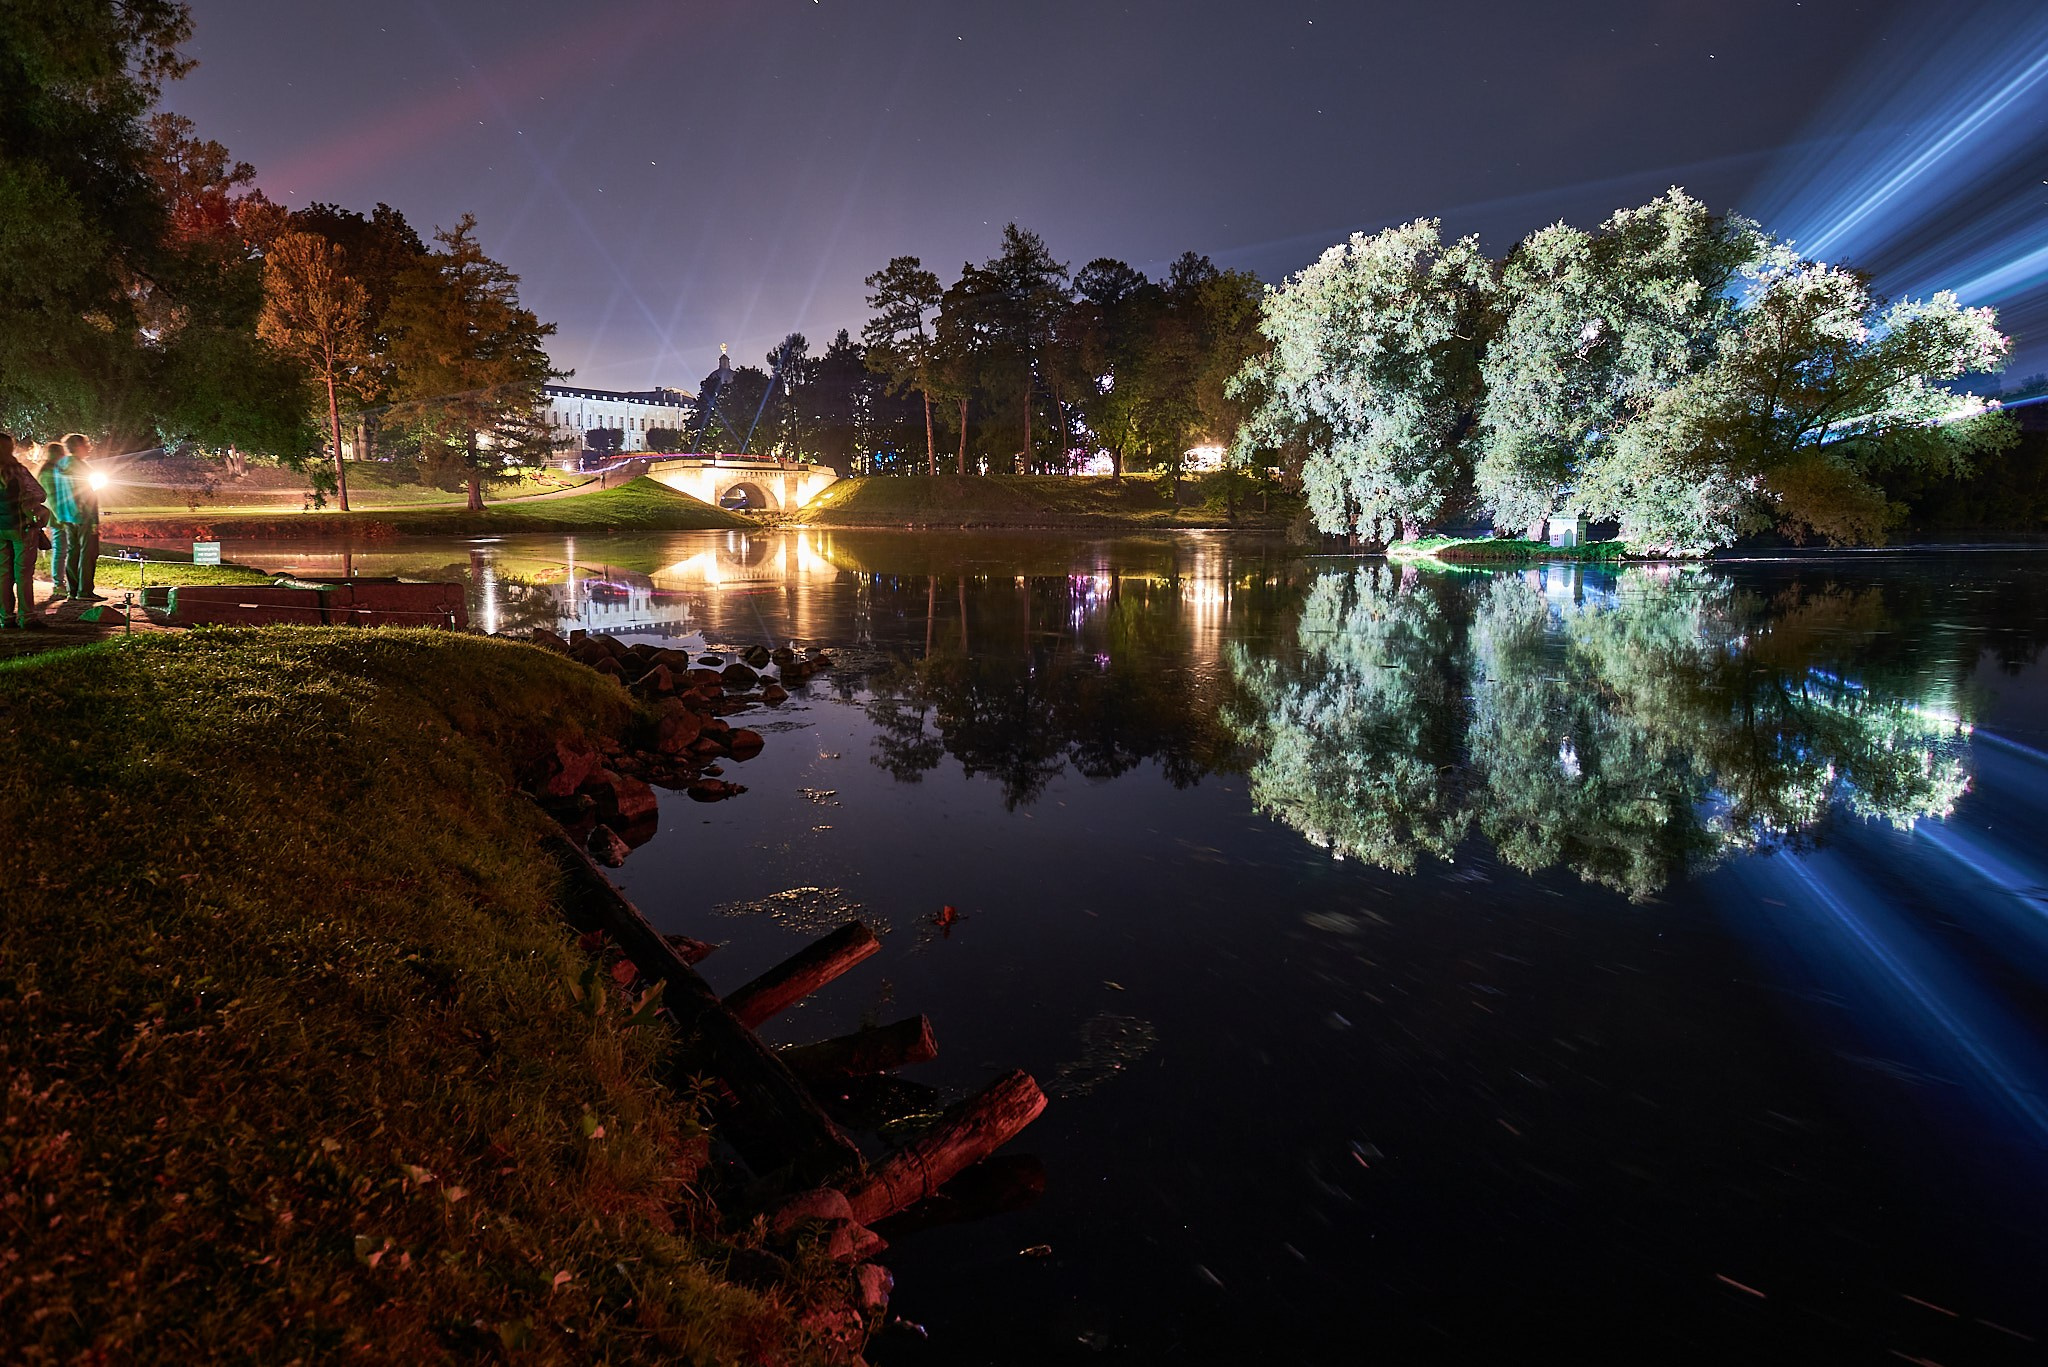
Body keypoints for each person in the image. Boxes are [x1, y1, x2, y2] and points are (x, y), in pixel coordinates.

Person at [44, 432, 103, 602]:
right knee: (88, 552)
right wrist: (94, 520)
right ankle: (85, 591)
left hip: (66, 516)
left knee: (73, 551)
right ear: (78, 447)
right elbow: (88, 495)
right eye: (86, 444)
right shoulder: (81, 466)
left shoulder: (60, 464)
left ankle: (73, 589)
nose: (89, 447)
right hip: (83, 516)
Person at [0, 433, 50, 628]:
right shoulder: (18, 471)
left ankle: (5, 616)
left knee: (3, 574)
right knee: (24, 574)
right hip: (22, 527)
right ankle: (27, 616)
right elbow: (40, 494)